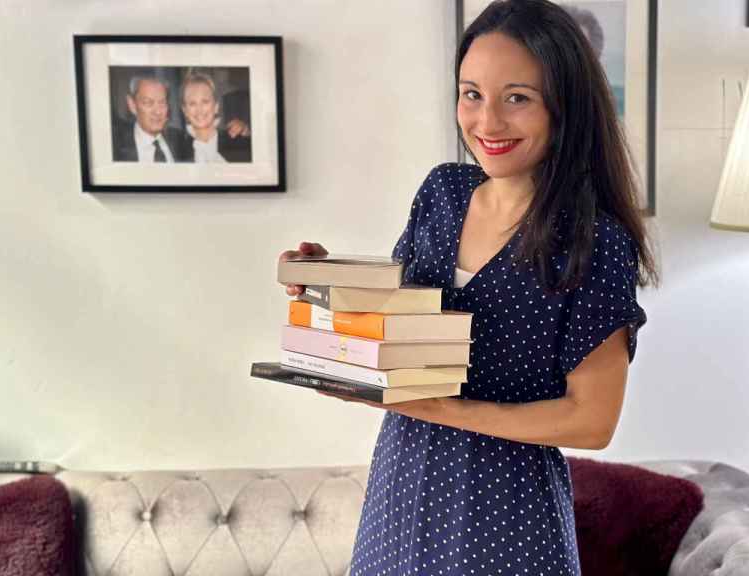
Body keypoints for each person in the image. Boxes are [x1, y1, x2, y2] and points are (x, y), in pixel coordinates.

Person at [278, 1, 657, 574]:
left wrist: (439, 407)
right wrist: (330, 283)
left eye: (517, 98)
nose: (487, 123)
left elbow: (592, 421)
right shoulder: (443, 193)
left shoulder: (593, 239)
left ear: (565, 106)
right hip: (400, 493)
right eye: (472, 94)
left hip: (507, 514)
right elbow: (405, 322)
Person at [112, 75, 193, 163]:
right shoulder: (114, 146)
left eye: (162, 103)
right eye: (148, 103)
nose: (157, 112)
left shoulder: (182, 141)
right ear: (132, 105)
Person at [179, 71, 252, 163]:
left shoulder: (236, 142)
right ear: (185, 111)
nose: (199, 109)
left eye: (205, 101)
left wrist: (247, 133)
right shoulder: (178, 150)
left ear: (216, 107)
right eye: (192, 103)